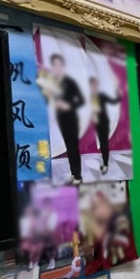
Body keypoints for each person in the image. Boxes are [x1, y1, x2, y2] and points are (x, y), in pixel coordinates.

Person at [47, 54, 85, 184]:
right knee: (69, 147)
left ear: (63, 66)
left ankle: (78, 176)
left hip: (71, 118)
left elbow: (81, 100)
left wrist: (69, 105)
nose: (57, 68)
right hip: (61, 119)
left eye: (59, 65)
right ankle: (73, 173)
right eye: (55, 65)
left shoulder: (70, 82)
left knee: (73, 147)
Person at [88, 75, 121, 175]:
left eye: (95, 85)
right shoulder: (90, 97)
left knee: (104, 143)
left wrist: (118, 93)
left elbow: (114, 101)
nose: (93, 87)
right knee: (102, 144)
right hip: (97, 124)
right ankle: (104, 162)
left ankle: (106, 164)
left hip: (104, 123)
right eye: (92, 85)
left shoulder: (101, 96)